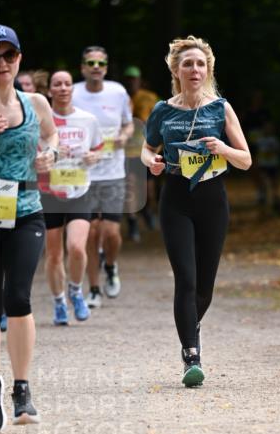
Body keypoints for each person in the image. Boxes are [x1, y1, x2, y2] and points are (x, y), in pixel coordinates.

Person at [141, 35, 251, 386]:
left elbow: (246, 160)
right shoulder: (163, 110)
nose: (194, 69)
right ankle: (192, 354)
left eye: (200, 63)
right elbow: (146, 149)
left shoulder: (221, 108)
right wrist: (152, 163)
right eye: (187, 63)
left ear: (208, 70)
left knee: (205, 286)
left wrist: (223, 148)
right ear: (176, 69)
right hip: (175, 197)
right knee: (185, 280)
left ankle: (190, 323)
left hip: (212, 199)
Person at [0, 24, 58, 430]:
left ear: (19, 59)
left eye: (8, 55)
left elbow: (51, 137)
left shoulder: (34, 102)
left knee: (18, 296)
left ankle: (22, 389)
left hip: (26, 209)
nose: (1, 63)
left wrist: (49, 155)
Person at [40, 70, 102, 325]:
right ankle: (58, 302)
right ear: (50, 90)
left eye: (67, 83)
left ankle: (75, 290)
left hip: (79, 190)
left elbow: (98, 149)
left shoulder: (87, 119)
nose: (63, 88)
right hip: (49, 192)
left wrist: (92, 157)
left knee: (76, 247)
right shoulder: (40, 120)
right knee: (53, 254)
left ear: (72, 89)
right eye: (58, 84)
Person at [72, 45, 133, 307]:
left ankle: (111, 265)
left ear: (106, 67)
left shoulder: (118, 91)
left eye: (100, 63)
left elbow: (129, 123)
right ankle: (94, 289)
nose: (95, 68)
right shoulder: (72, 93)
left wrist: (124, 136)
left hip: (113, 172)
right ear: (83, 67)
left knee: (110, 232)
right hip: (83, 173)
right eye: (90, 63)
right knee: (91, 233)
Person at [123, 65, 160, 240]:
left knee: (148, 191)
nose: (131, 82)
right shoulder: (120, 99)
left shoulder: (150, 98)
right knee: (130, 187)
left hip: (146, 149)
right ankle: (132, 223)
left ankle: (147, 211)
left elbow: (160, 119)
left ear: (140, 81)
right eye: (128, 79)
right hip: (126, 152)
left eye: (134, 79)